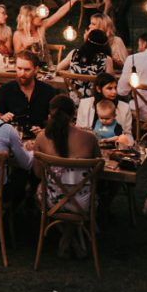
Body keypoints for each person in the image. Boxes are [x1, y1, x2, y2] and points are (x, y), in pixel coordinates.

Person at [33, 94, 100, 258]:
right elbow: (99, 174)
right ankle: (71, 239)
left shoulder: (42, 138)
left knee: (37, 192)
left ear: (51, 113)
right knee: (76, 196)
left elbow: (37, 173)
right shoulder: (89, 138)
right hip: (83, 203)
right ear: (73, 114)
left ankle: (66, 238)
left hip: (51, 200)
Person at [0, 50, 58, 132]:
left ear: (36, 70)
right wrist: (2, 117)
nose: (22, 73)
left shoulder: (48, 91)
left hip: (38, 140)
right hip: (12, 138)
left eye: (27, 70)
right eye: (19, 68)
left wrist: (44, 131)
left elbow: (55, 121)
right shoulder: (5, 90)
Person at [12, 0, 83, 56]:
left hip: (44, 65)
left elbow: (59, 13)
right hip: (27, 67)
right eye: (37, 16)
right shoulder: (18, 34)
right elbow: (17, 55)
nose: (41, 17)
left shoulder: (42, 27)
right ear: (29, 19)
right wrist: (26, 46)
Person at [58, 29, 115, 100]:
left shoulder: (74, 54)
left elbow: (58, 69)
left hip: (74, 100)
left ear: (87, 40)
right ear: (105, 45)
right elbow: (111, 81)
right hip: (95, 102)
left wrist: (70, 73)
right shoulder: (106, 59)